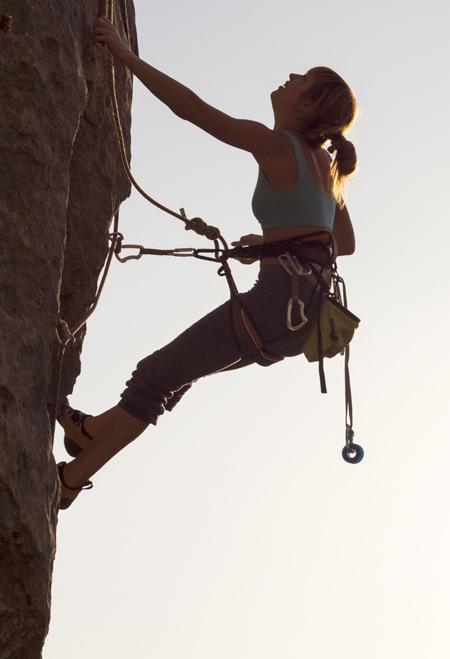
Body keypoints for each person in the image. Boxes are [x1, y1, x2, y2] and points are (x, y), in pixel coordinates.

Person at [56, 17, 359, 509]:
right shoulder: (326, 168)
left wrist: (125, 58)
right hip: (298, 321)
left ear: (310, 104)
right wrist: (268, 244)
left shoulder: (276, 143)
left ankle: (69, 479)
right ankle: (87, 432)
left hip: (270, 307)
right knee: (169, 378)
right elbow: (340, 245)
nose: (290, 76)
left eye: (301, 79)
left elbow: (191, 110)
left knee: (153, 377)